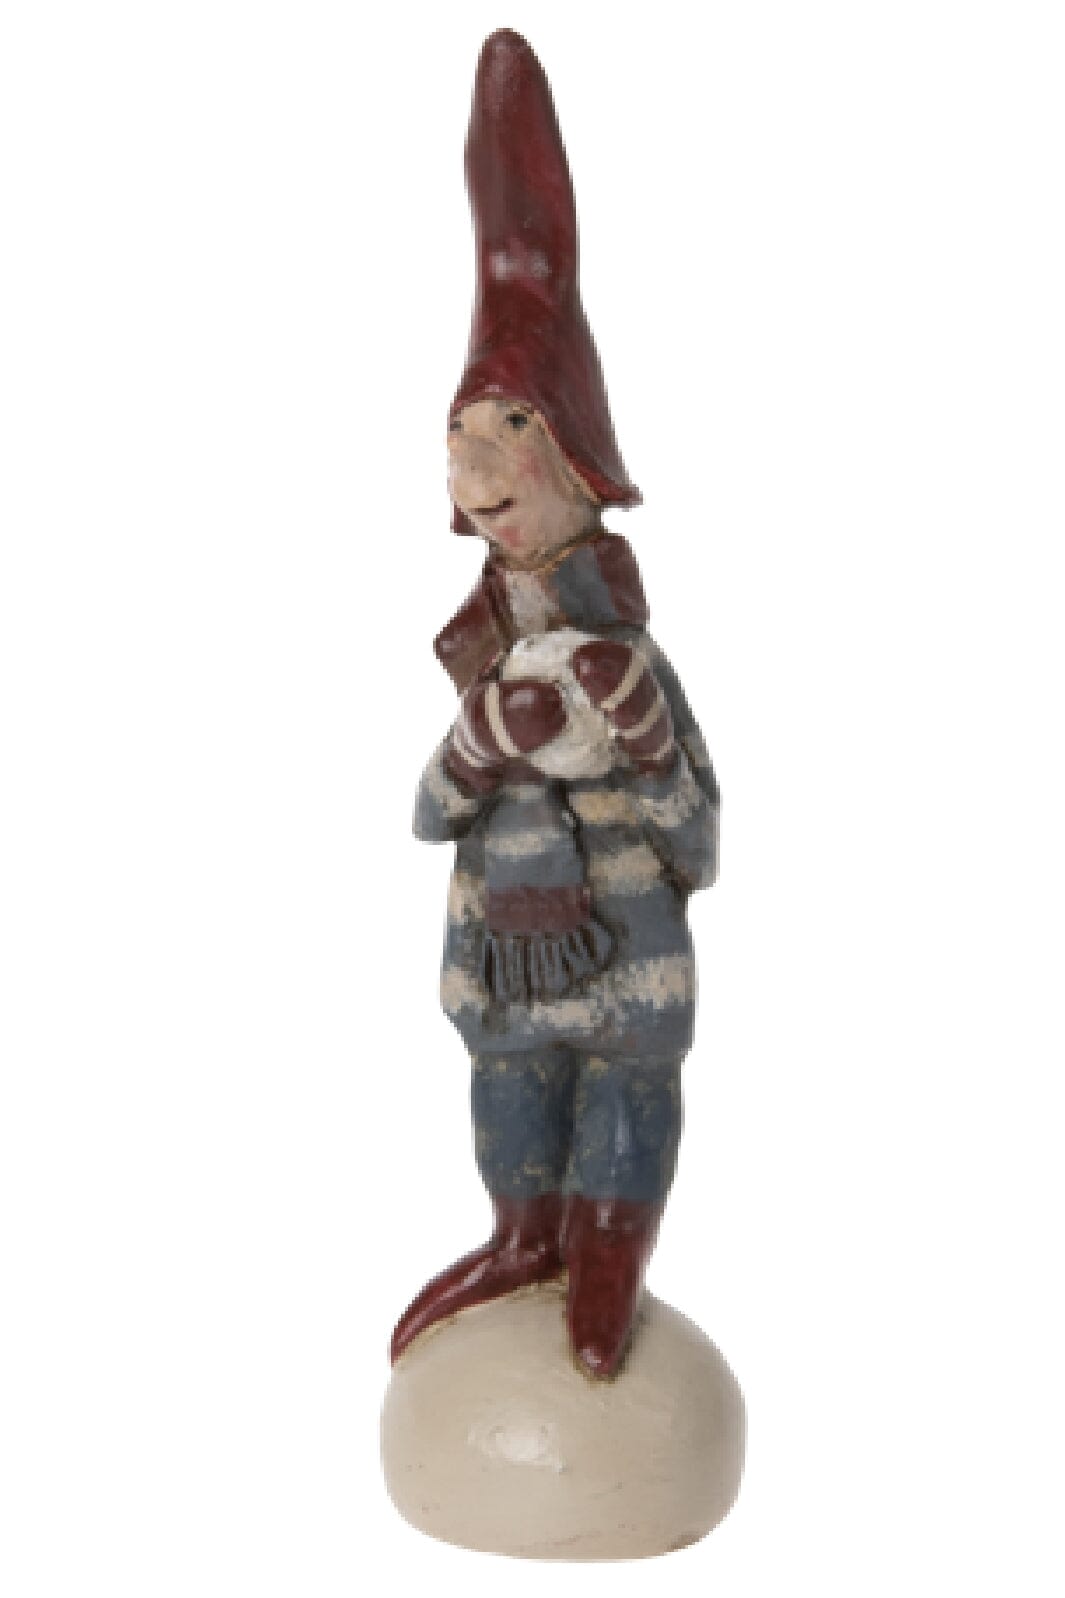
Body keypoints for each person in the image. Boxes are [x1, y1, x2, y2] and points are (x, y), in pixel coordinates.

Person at [390, 32, 719, 1379]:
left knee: (629, 1083)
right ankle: (522, 1235)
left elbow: (697, 842)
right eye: (462, 435)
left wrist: (640, 738)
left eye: (511, 429)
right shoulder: (482, 656)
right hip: (505, 962)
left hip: (624, 956)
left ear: (577, 454)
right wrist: (481, 741)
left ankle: (606, 1253)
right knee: (510, 1083)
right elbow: (430, 811)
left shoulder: (622, 656)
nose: (478, 468)